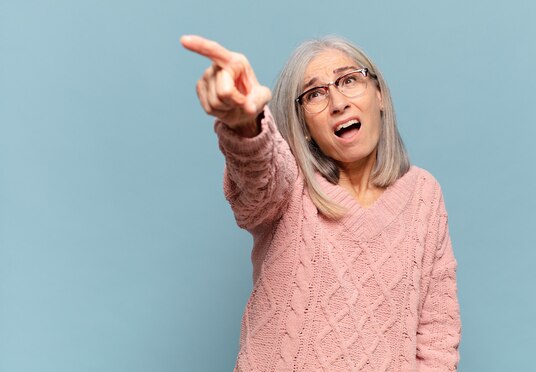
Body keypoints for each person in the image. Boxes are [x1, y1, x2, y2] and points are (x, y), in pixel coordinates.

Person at [181, 34, 461, 371]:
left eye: (349, 80)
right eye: (315, 94)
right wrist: (244, 123)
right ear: (304, 126)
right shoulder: (289, 184)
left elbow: (437, 338)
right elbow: (257, 175)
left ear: (380, 94)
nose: (338, 102)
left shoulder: (423, 194)